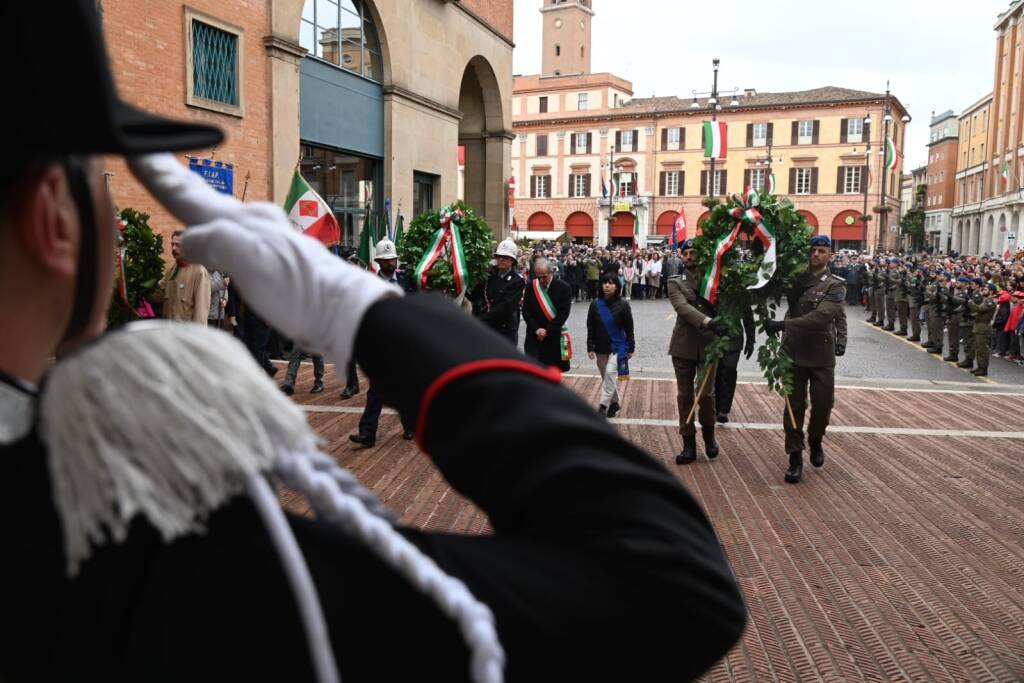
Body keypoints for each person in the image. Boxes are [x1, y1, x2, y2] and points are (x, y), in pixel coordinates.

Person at [0, 4, 746, 680]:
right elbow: (673, 589)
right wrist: (365, 310)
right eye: (98, 174)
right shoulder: (127, 547)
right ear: (55, 219)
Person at [764, 235, 847, 484]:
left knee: (823, 405)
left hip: (821, 354)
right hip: (794, 351)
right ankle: (795, 456)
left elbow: (823, 317)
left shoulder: (836, 284)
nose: (816, 255)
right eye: (813, 251)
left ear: (830, 255)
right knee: (794, 407)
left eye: (822, 251)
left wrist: (782, 324)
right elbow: (768, 285)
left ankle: (815, 438)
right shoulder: (796, 279)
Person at [667, 240, 727, 465]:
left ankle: (709, 436)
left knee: (706, 395)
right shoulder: (675, 282)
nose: (690, 256)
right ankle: (688, 443)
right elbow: (682, 307)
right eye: (686, 253)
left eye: (694, 253)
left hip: (710, 347)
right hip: (684, 346)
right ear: (681, 257)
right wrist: (709, 322)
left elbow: (728, 304)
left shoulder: (715, 280)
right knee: (685, 397)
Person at [350, 238, 415, 445]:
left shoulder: (407, 280)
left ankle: (410, 425)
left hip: (403, 343)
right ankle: (367, 433)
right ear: (378, 261)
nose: (390, 263)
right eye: (386, 260)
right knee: (376, 391)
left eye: (392, 259)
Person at [587, 274, 635, 417]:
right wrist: (590, 346)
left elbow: (629, 327)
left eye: (611, 283)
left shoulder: (624, 305)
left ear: (617, 287)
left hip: (618, 346)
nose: (607, 286)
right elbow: (590, 326)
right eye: (604, 283)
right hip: (600, 347)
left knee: (609, 373)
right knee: (606, 377)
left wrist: (631, 347)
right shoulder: (595, 304)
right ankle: (615, 403)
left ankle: (603, 405)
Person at [521, 257, 572, 372]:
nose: (541, 280)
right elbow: (526, 311)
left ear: (551, 272)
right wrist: (537, 329)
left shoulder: (564, 288)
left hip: (553, 336)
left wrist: (546, 331)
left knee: (553, 373)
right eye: (538, 277)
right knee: (532, 371)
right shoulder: (531, 287)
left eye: (544, 276)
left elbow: (563, 314)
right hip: (534, 336)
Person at [471, 239, 526, 346]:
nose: (501, 259)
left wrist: (482, 319)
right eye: (499, 256)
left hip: (504, 330)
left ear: (512, 261)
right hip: (484, 328)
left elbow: (506, 307)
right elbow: (475, 295)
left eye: (505, 257)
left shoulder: (517, 281)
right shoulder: (488, 275)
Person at [156, 229, 211, 323]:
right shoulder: (171, 271)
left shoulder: (199, 272)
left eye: (178, 245)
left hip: (186, 334)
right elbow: (157, 295)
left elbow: (200, 314)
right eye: (172, 244)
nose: (173, 248)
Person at [714, 306, 756, 424]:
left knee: (729, 370)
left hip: (734, 337)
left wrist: (750, 341)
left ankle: (724, 409)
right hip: (714, 335)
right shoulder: (713, 288)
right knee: (716, 372)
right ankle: (716, 405)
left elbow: (748, 317)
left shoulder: (740, 290)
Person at [966, 283, 997, 376]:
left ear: (991, 291)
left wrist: (970, 301)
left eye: (985, 290)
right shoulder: (985, 300)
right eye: (983, 289)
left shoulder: (990, 302)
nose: (983, 291)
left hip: (984, 328)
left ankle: (983, 368)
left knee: (983, 349)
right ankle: (979, 367)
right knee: (978, 349)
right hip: (979, 326)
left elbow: (979, 309)